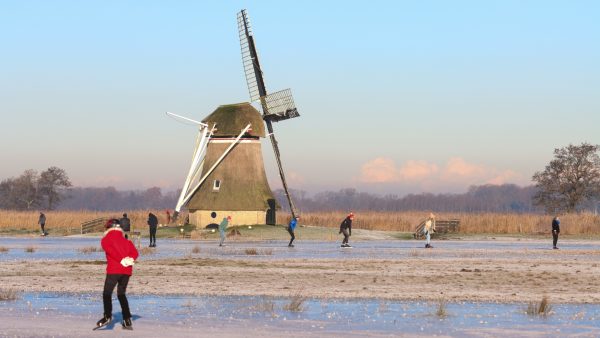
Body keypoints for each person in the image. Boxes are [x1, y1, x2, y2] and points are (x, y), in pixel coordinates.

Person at [96, 218, 139, 330]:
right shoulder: (126, 240)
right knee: (121, 294)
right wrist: (129, 259)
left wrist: (121, 260)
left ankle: (107, 316)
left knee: (107, 293)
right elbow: (135, 252)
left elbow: (111, 251)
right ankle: (127, 320)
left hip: (114, 270)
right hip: (126, 271)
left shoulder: (105, 240)